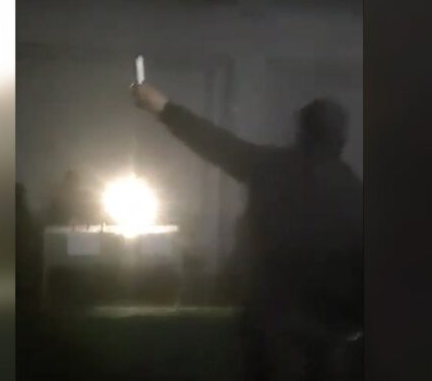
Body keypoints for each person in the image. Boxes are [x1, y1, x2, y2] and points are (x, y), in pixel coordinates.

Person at [131, 83, 363, 381]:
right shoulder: (353, 191)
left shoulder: (271, 168)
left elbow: (215, 143)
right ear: (341, 137)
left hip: (269, 318)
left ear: (301, 132)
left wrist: (162, 107)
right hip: (329, 327)